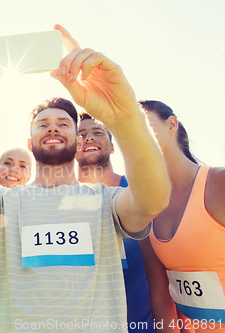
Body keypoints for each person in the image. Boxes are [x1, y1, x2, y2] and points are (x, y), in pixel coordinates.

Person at [0, 24, 171, 332]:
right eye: (43, 123)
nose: (54, 127)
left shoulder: (105, 201)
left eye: (64, 123)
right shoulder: (5, 202)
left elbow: (153, 199)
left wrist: (124, 116)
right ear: (30, 143)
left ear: (77, 139)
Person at [138, 100, 225, 333]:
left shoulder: (219, 183)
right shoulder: (144, 208)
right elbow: (161, 297)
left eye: (141, 124)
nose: (133, 134)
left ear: (172, 125)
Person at [75, 112, 155, 333]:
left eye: (98, 132)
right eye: (80, 135)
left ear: (111, 146)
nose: (89, 137)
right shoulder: (61, 201)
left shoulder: (140, 192)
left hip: (141, 325)